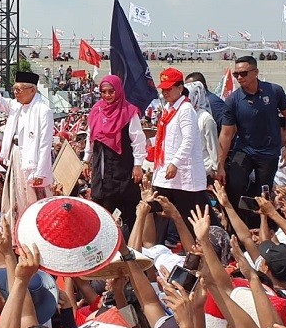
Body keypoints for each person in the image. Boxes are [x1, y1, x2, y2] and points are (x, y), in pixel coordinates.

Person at [216, 56, 286, 226]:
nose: (239, 78)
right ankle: (237, 226)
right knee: (235, 184)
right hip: (244, 149)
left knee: (262, 192)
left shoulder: (274, 91)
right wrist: (220, 165)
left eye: (243, 73)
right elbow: (226, 134)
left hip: (269, 152)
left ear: (256, 72)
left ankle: (260, 227)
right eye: (236, 74)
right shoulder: (232, 100)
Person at [0, 69, 53, 222]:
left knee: (33, 200)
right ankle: (15, 234)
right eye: (14, 89)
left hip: (33, 162)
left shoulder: (43, 111)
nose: (15, 93)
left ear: (32, 90)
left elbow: (45, 144)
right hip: (15, 154)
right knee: (15, 196)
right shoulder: (16, 106)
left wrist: (40, 173)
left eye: (19, 89)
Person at [82, 74, 145, 234]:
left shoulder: (129, 112)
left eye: (111, 91)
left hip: (121, 167)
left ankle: (128, 248)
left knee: (124, 211)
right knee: (102, 209)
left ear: (118, 91)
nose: (108, 95)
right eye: (104, 92)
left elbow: (138, 140)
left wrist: (138, 165)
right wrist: (86, 160)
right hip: (100, 167)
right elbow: (91, 136)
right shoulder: (96, 110)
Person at [152, 68, 208, 240]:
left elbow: (189, 140)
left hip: (183, 175)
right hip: (164, 171)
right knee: (160, 214)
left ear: (180, 87)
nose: (165, 92)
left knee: (186, 217)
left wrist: (175, 162)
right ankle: (157, 248)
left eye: (169, 88)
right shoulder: (168, 109)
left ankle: (194, 251)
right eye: (163, 89)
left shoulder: (185, 109)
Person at [185, 81, 219, 178]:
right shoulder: (184, 114)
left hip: (203, 169)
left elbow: (212, 145)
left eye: (187, 95)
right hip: (186, 169)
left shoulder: (205, 118)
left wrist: (216, 168)